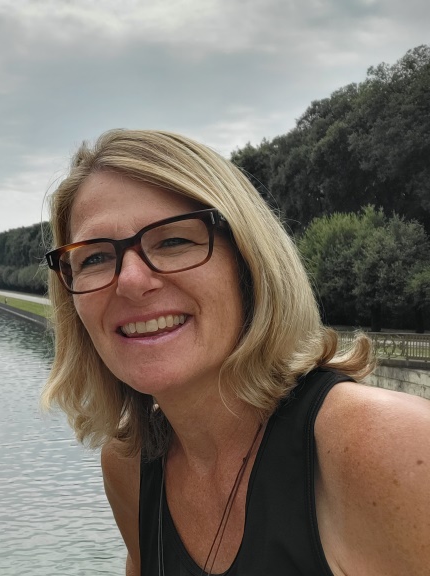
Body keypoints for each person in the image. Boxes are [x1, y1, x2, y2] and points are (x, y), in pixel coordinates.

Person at [41, 129, 430, 575]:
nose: (130, 280)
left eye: (173, 241)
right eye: (93, 258)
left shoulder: (390, 447)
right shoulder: (130, 467)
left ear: (248, 261)